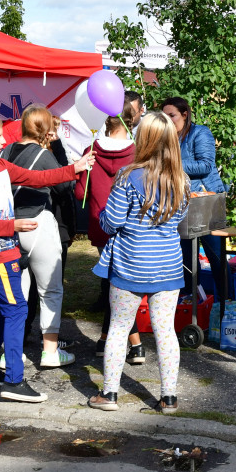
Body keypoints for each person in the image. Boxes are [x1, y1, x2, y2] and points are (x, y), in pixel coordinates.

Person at [0, 112, 93, 403]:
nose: (3, 141)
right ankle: (13, 381)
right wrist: (13, 225)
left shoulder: (0, 164)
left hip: (8, 247)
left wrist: (76, 168)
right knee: (17, 310)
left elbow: (37, 177)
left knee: (1, 310)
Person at [88, 112, 189, 414]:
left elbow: (112, 222)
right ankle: (169, 398)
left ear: (142, 140)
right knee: (166, 331)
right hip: (168, 265)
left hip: (130, 263)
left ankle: (110, 394)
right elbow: (180, 220)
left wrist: (105, 217)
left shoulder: (127, 177)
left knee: (119, 329)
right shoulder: (181, 179)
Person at [0, 106, 74, 369]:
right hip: (37, 223)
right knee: (50, 290)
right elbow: (65, 186)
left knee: (16, 292)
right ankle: (50, 352)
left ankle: (10, 352)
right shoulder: (43, 155)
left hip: (10, 225)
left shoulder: (5, 152)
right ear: (45, 129)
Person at [76, 107, 144, 362]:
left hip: (101, 224)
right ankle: (133, 343)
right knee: (120, 283)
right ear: (131, 121)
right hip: (133, 227)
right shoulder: (139, 152)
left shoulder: (91, 151)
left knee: (113, 283)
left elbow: (79, 193)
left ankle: (110, 340)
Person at [161, 97, 230, 307]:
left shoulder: (201, 133)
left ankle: (227, 305)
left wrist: (171, 163)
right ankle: (193, 304)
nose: (168, 120)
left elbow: (205, 165)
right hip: (181, 203)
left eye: (171, 115)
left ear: (184, 114)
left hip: (207, 201)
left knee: (216, 257)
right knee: (186, 260)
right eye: (165, 116)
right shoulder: (167, 137)